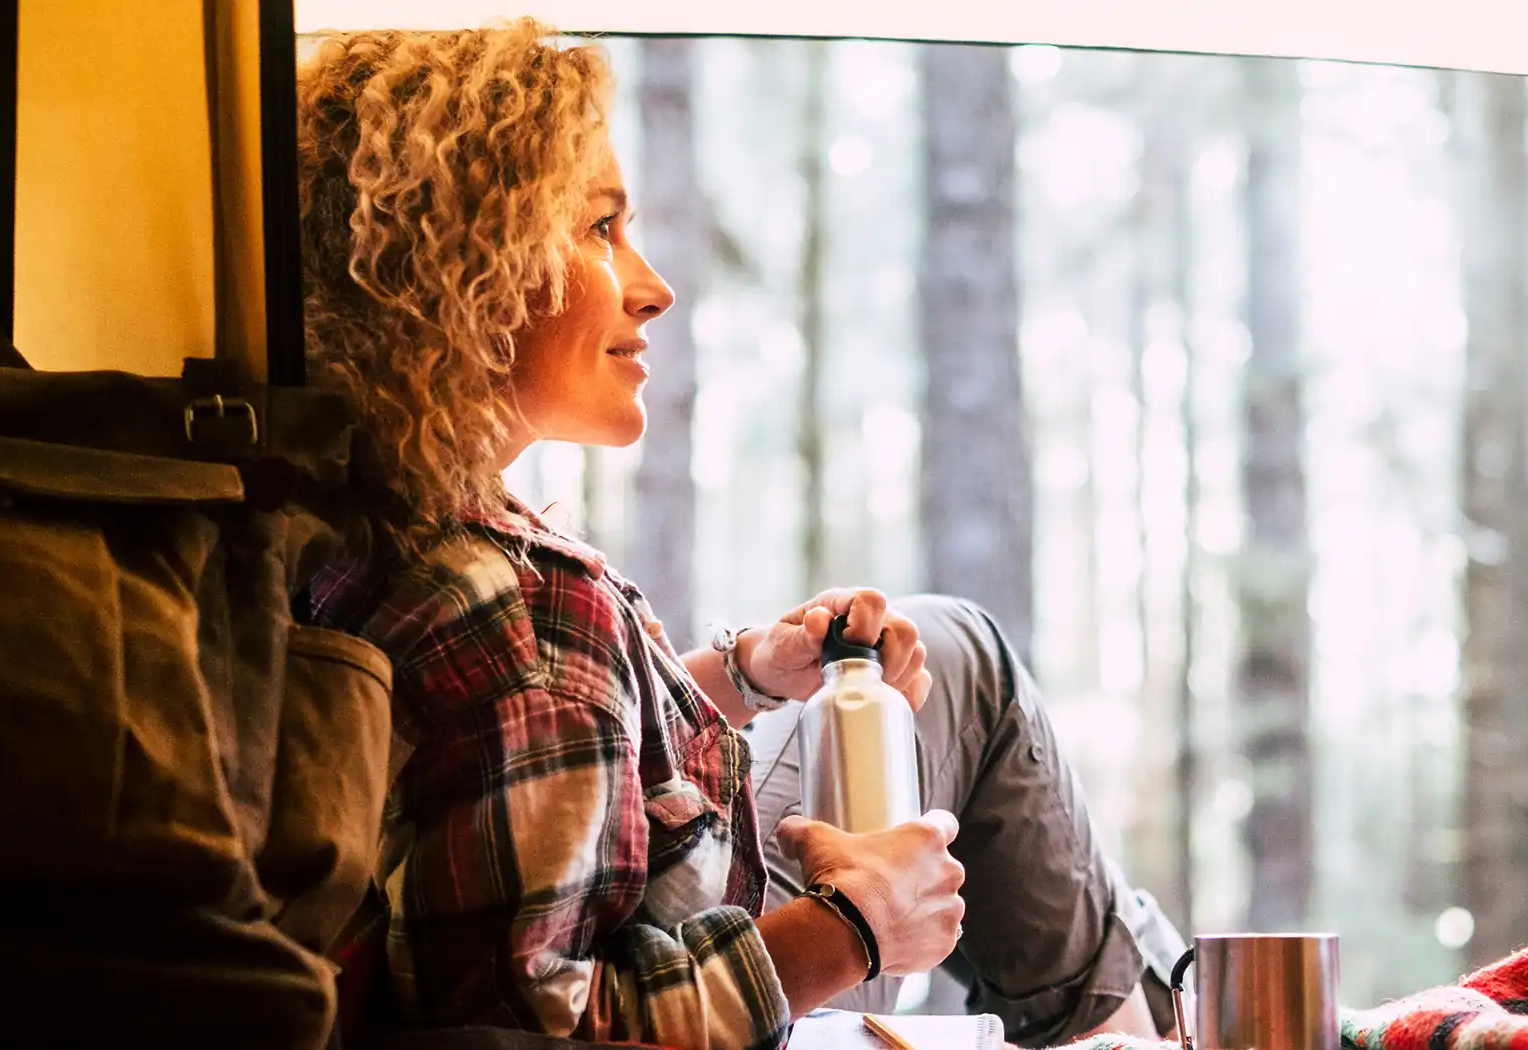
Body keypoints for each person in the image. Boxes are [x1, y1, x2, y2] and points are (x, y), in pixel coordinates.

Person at [293, 22, 1185, 1050]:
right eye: (598, 229)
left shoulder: (373, 510)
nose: (651, 285)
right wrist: (851, 929)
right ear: (468, 263)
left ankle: (1164, 1007)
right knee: (969, 663)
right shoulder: (529, 610)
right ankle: (1159, 1021)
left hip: (679, 906)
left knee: (945, 646)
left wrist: (748, 672)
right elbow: (525, 1029)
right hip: (726, 972)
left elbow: (524, 738)